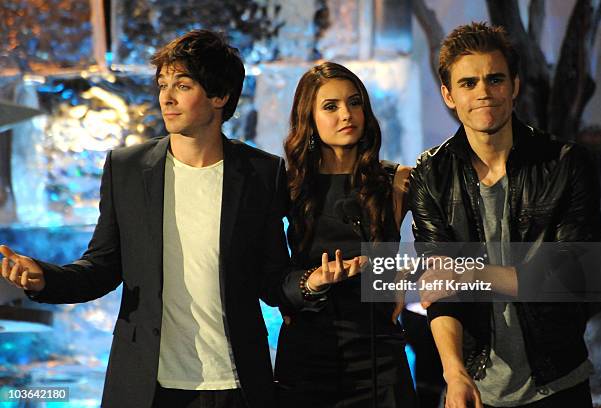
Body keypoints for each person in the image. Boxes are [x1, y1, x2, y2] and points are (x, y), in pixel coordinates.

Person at [0, 30, 290, 408]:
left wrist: (312, 284)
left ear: (220, 96)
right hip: (148, 386)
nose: (166, 98)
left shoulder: (262, 173)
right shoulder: (127, 168)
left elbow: (272, 280)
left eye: (182, 85)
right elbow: (102, 268)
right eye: (163, 84)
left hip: (236, 383)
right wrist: (44, 278)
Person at [407, 22, 601, 408]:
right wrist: (454, 373)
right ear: (448, 95)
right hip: (476, 386)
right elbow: (439, 287)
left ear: (514, 86)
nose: (483, 92)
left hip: (558, 383)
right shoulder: (431, 174)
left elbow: (563, 276)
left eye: (494, 79)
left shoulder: (565, 164)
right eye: (468, 83)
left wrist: (469, 273)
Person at [275, 61, 418, 407]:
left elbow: (444, 250)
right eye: (330, 106)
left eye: (354, 103)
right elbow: (272, 279)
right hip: (309, 354)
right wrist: (313, 281)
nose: (346, 114)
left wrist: (404, 275)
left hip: (379, 353)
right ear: (308, 118)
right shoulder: (287, 187)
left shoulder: (397, 182)